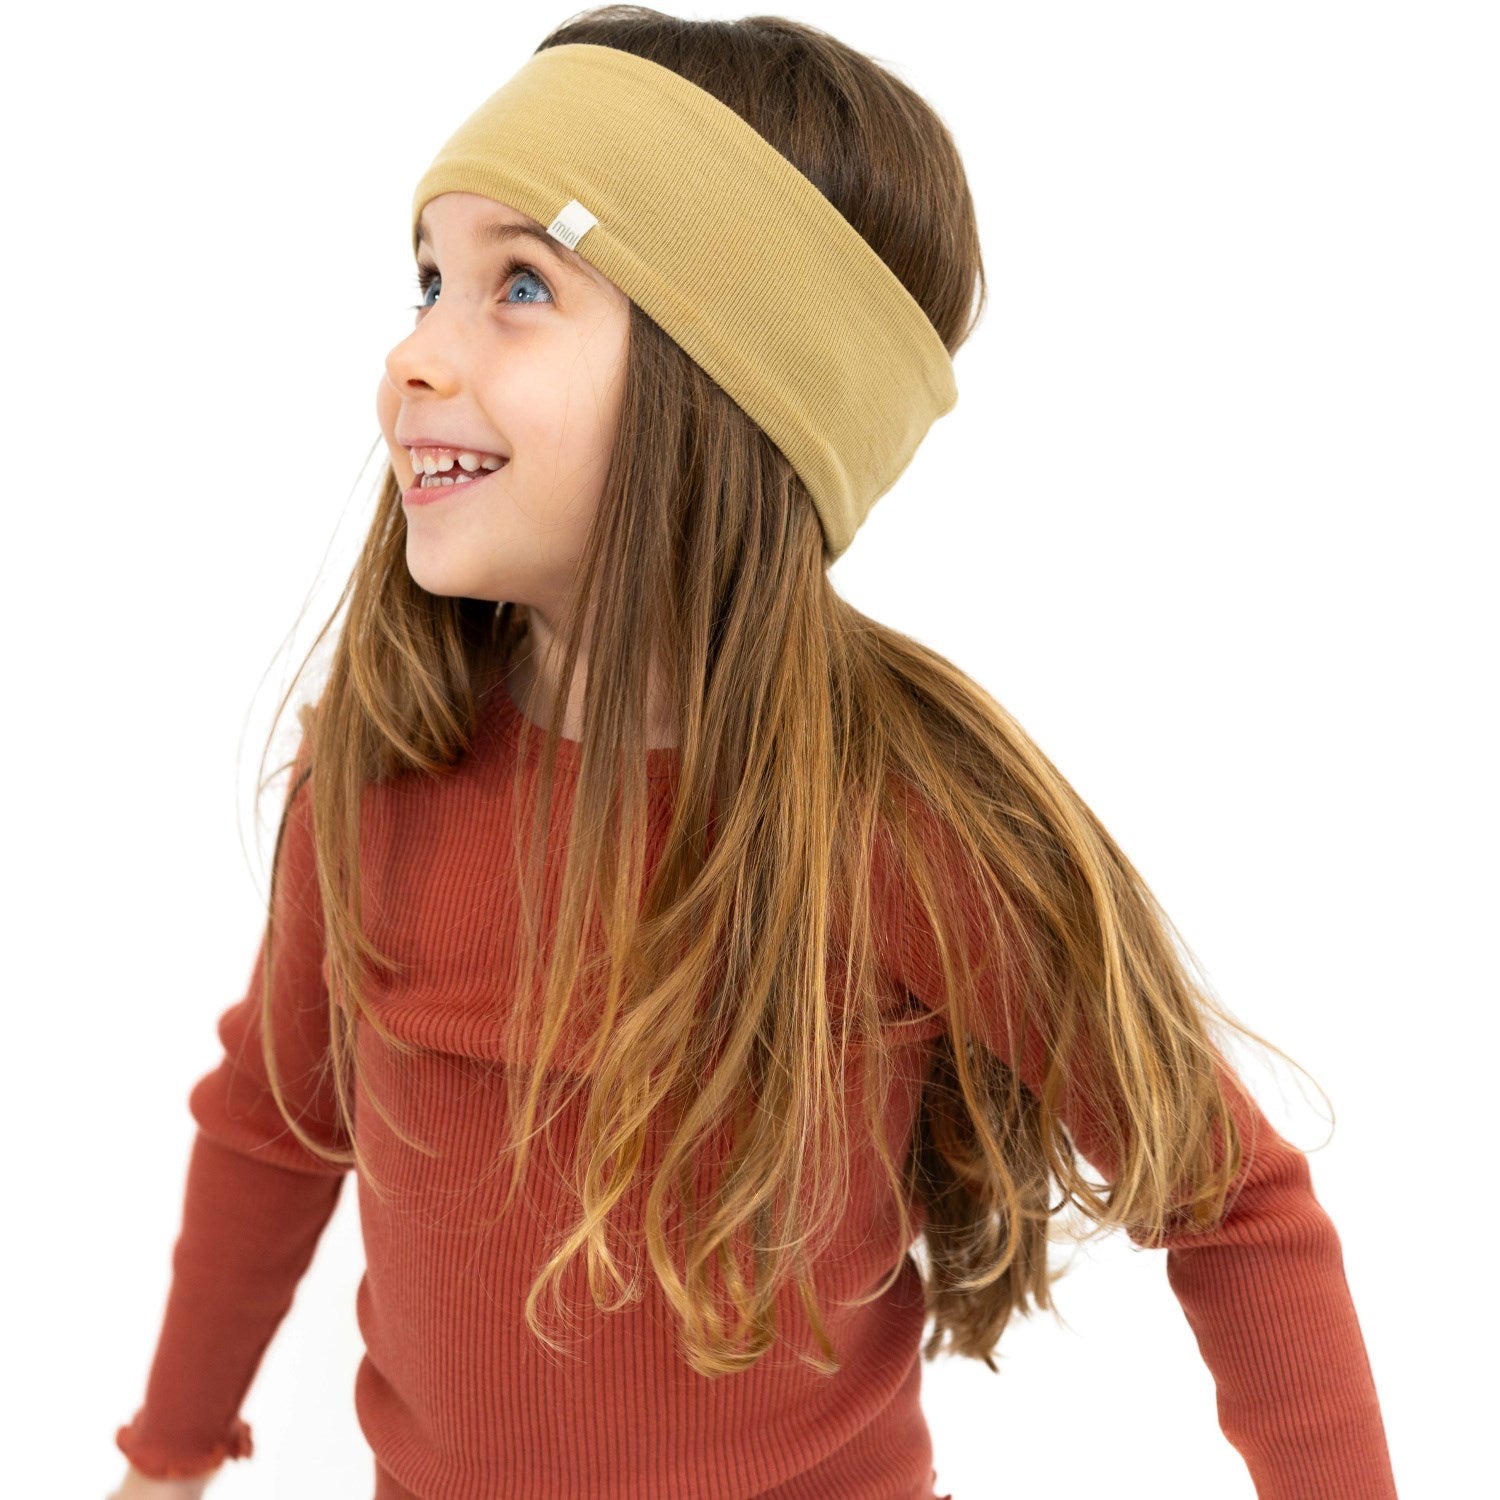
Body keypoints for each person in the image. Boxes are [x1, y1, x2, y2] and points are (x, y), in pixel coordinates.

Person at [108, 9, 1397, 1499]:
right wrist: (166, 1462)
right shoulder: (377, 776)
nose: (412, 354)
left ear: (729, 390)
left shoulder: (903, 820)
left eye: (520, 285)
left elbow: (1233, 1199)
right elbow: (274, 1128)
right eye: (428, 281)